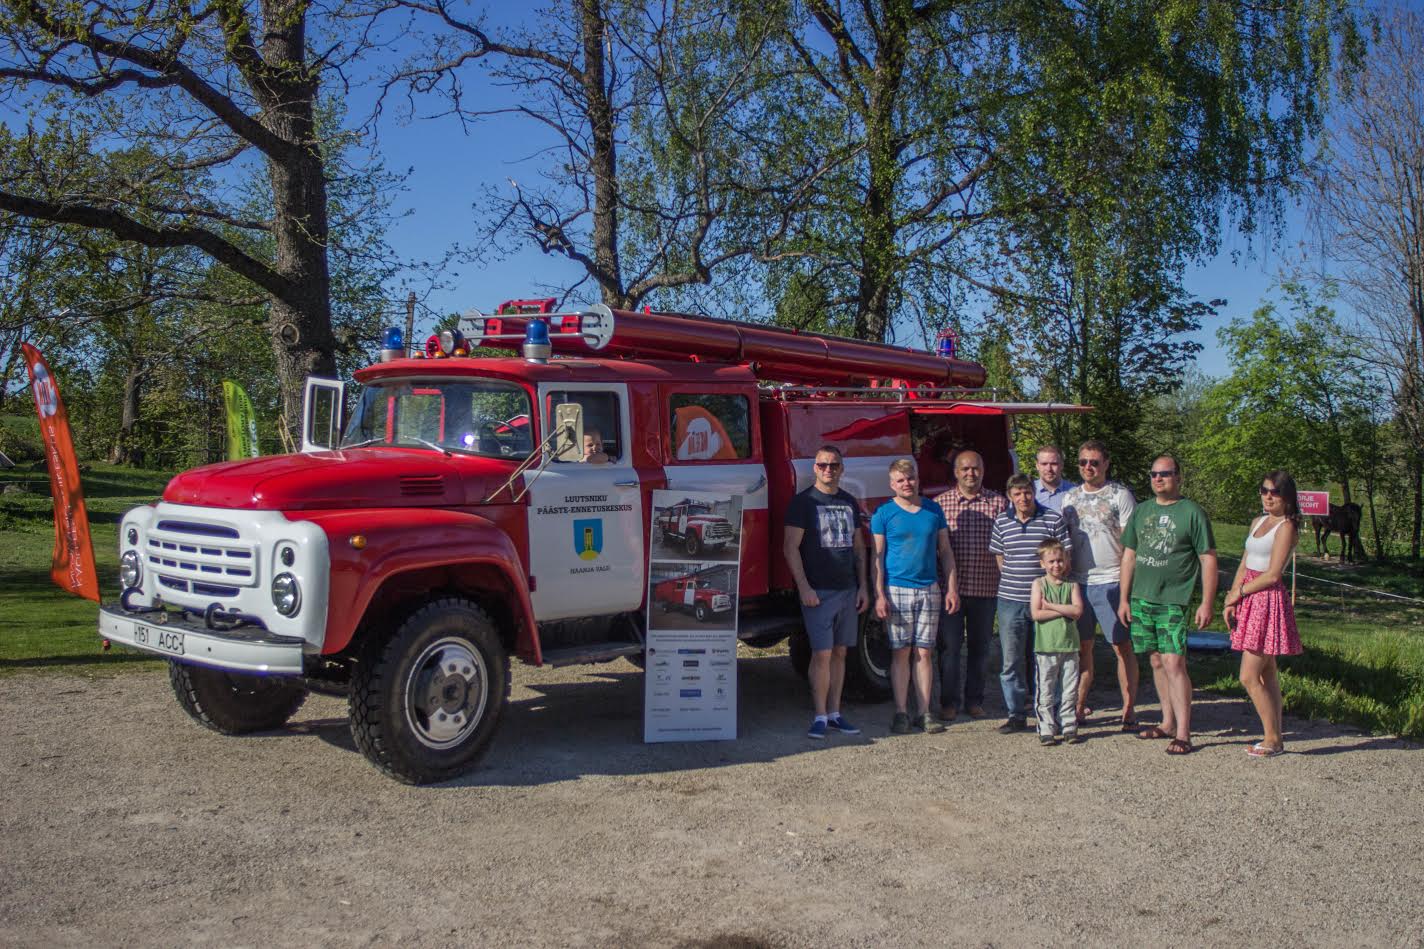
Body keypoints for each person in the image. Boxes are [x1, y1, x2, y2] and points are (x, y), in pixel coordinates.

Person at [1118, 455, 1217, 755]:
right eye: (1154, 474)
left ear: (1179, 477)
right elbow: (1130, 555)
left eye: (1166, 473)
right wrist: (1124, 598)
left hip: (1175, 600)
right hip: (1142, 598)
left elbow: (1208, 558)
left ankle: (1184, 733)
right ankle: (1167, 722)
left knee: (1175, 662)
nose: (1158, 478)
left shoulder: (1192, 513)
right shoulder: (1142, 510)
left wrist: (1207, 602)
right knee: (1156, 660)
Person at [784, 445, 869, 740]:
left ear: (842, 469)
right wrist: (804, 587)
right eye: (822, 465)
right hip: (818, 591)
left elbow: (859, 548)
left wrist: (863, 587)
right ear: (814, 469)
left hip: (847, 589)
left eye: (833, 465)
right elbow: (790, 547)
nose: (828, 470)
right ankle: (819, 716)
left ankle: (835, 713)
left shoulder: (848, 502)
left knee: (841, 653)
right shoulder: (802, 503)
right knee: (821, 653)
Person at [872, 458, 960, 734]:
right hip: (896, 589)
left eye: (910, 478)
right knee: (901, 652)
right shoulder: (883, 514)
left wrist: (951, 587)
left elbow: (945, 551)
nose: (906, 484)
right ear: (892, 484)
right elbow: (877, 557)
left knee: (924, 651)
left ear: (917, 479)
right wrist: (879, 594)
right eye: (900, 480)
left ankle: (924, 712)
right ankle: (901, 712)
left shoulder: (933, 510)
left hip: (929, 587)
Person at [1223, 470, 1304, 757]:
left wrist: (1241, 593)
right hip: (1247, 596)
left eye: (1275, 492)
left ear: (1287, 497)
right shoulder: (1257, 522)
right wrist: (1231, 598)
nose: (1268, 496)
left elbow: (1272, 574)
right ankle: (1275, 737)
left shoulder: (1286, 527)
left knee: (1248, 675)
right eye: (1264, 490)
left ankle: (1272, 738)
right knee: (1267, 672)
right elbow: (1245, 563)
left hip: (1266, 599)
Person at [1060, 440, 1139, 730]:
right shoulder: (1069, 498)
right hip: (1078, 582)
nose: (1088, 468)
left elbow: (1131, 544)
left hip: (1111, 580)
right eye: (1083, 462)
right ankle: (1078, 707)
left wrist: (1127, 587)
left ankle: (1129, 708)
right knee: (1082, 648)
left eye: (1094, 462)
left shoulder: (1121, 495)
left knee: (1121, 646)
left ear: (1106, 463)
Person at [989, 472, 1072, 733]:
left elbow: (1063, 558)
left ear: (1033, 493)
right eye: (1017, 494)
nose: (1023, 498)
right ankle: (1016, 714)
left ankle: (1050, 712)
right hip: (1010, 600)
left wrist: (1047, 591)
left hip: (1047, 601)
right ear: (1010, 497)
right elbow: (1000, 558)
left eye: (1027, 492)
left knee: (1048, 658)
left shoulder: (1052, 518)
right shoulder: (1002, 521)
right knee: (1011, 660)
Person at [932, 450, 1006, 722]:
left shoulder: (999, 504)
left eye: (975, 468)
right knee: (949, 648)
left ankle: (974, 700)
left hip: (986, 588)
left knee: (980, 648)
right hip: (951, 590)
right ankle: (949, 702)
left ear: (982, 471)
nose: (970, 473)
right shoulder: (940, 504)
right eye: (965, 469)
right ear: (956, 472)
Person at [1030, 539, 1084, 745]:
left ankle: (1069, 725)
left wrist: (1051, 606)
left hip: (1070, 645)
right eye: (1051, 561)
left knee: (1070, 689)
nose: (1056, 565)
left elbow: (1077, 611)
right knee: (1046, 689)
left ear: (1066, 561)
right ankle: (1046, 728)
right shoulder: (1038, 584)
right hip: (1046, 646)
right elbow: (1036, 613)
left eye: (1060, 560)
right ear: (1043, 563)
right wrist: (1064, 610)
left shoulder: (1072, 586)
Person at [1033, 445, 1075, 512]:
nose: (1049, 469)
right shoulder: (1025, 492)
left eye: (1054, 464)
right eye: (1044, 464)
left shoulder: (1074, 492)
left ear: (1062, 465)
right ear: (1037, 466)